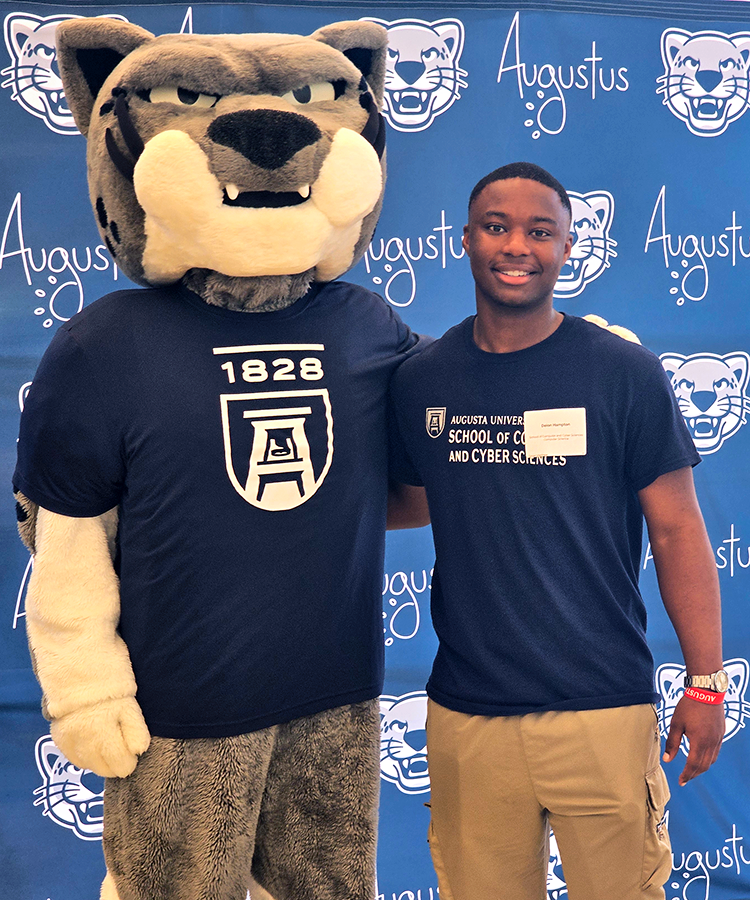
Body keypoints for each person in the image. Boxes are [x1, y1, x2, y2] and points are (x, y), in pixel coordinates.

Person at [388, 162, 725, 900]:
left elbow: (677, 531)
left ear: (568, 247)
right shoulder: (422, 379)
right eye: (497, 227)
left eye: (540, 231)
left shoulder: (623, 373)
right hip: (469, 716)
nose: (517, 246)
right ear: (465, 239)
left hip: (602, 708)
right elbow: (412, 498)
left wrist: (705, 684)